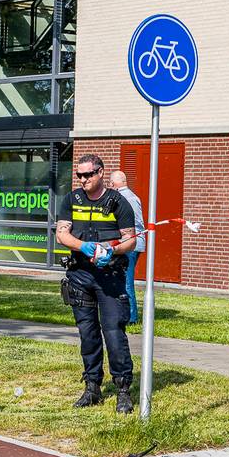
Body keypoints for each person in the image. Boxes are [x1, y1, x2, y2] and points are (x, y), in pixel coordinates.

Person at [56, 155, 139, 413]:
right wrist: (85, 247)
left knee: (113, 332)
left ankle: (123, 390)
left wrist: (110, 252)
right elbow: (62, 234)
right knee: (87, 333)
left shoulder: (118, 202)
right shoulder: (72, 199)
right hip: (80, 274)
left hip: (110, 275)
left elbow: (131, 241)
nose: (82, 180)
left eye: (87, 175)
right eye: (79, 176)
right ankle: (92, 387)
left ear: (100, 173)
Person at [109, 170, 145, 324]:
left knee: (126, 281)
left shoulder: (122, 198)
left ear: (112, 184)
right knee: (123, 279)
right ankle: (125, 313)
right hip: (135, 243)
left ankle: (131, 317)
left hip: (130, 244)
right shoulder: (133, 196)